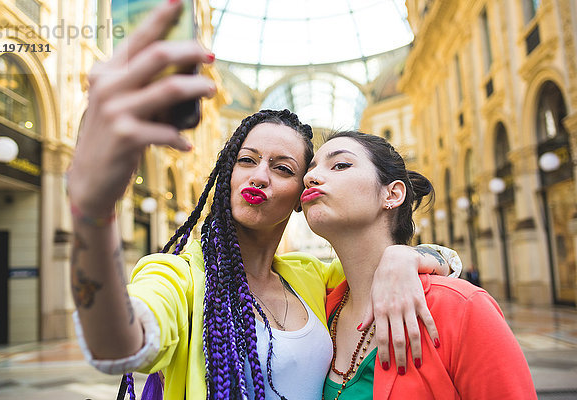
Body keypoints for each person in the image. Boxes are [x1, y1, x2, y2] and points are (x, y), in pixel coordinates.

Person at [67, 2, 461, 399]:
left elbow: (444, 263)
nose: (259, 176)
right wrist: (93, 212)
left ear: (300, 196)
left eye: (283, 169)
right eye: (247, 160)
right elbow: (114, 347)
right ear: (227, 174)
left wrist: (405, 257)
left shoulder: (312, 277)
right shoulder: (179, 276)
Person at [301, 130, 536, 399]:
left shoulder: (462, 308)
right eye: (310, 170)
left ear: (392, 194)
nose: (310, 177)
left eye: (340, 165)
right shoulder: (319, 311)